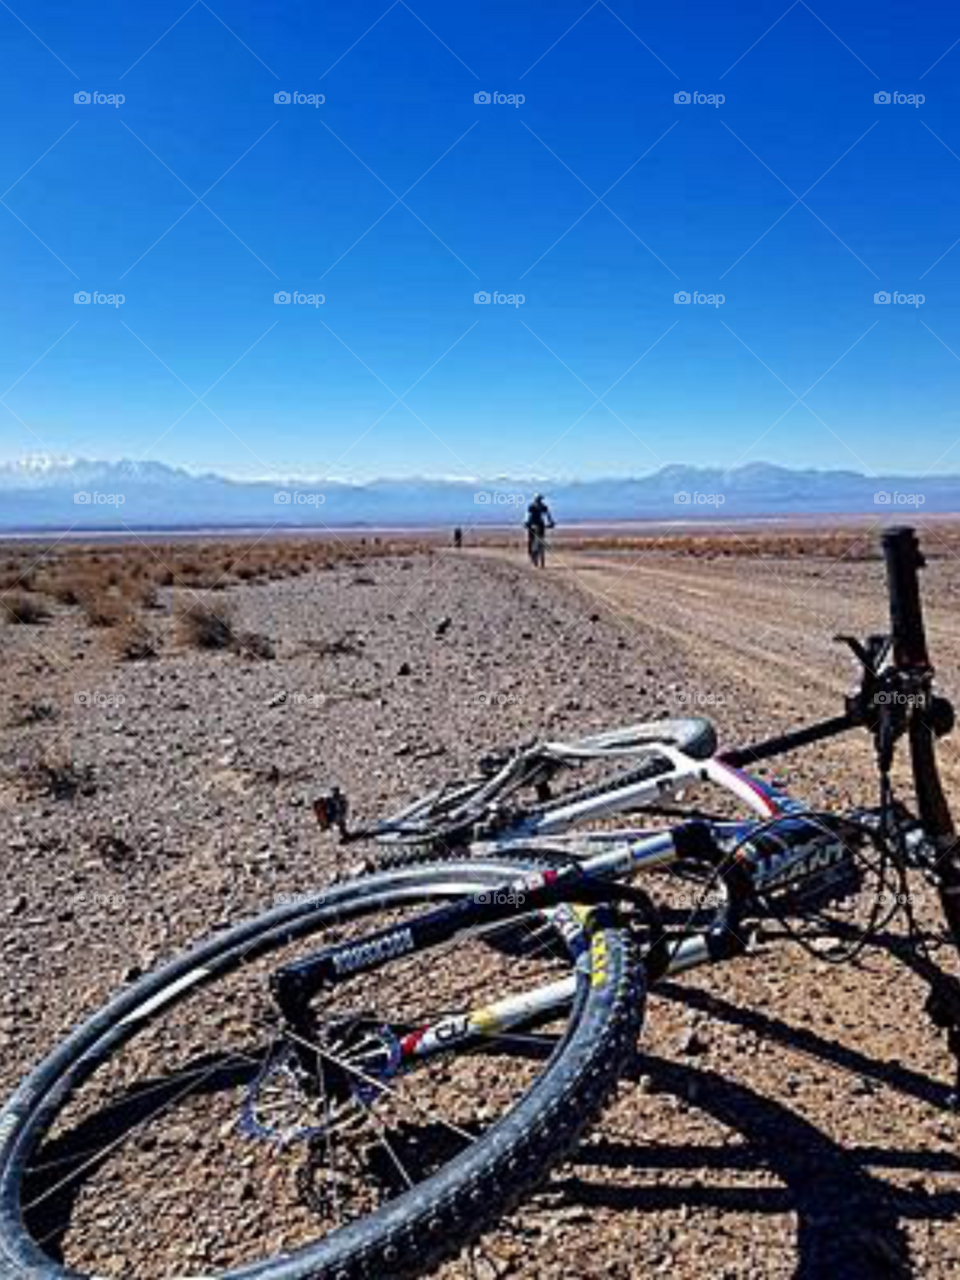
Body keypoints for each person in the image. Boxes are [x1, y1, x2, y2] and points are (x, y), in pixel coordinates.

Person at [524, 493, 555, 568]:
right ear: (535, 500)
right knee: (531, 540)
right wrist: (526, 523)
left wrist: (551, 522)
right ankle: (531, 553)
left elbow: (548, 515)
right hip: (531, 524)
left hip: (540, 524)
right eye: (538, 499)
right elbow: (528, 515)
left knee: (541, 538)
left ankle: (540, 554)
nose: (539, 501)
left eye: (540, 500)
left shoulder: (544, 507)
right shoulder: (531, 506)